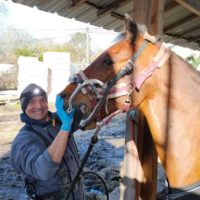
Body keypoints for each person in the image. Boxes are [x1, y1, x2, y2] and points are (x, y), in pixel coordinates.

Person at [10, 83, 84, 200]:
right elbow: (44, 170)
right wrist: (65, 128)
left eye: (42, 100)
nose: (38, 106)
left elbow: (86, 114)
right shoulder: (23, 140)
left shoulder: (56, 120)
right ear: (24, 107)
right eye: (31, 102)